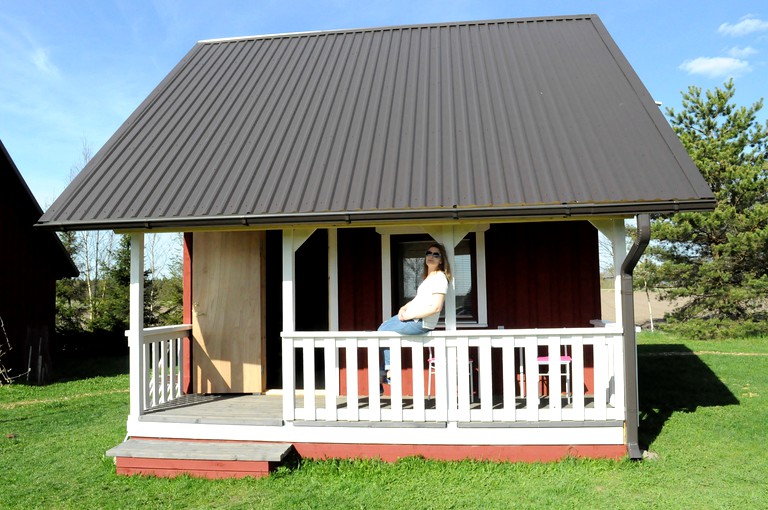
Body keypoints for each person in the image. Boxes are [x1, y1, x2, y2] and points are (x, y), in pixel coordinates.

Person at [378, 242, 452, 383]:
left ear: (441, 260)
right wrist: (403, 308)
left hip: (421, 322)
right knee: (382, 327)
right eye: (429, 253)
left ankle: (389, 372)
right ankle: (384, 375)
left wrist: (410, 315)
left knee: (383, 332)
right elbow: (418, 300)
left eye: (436, 254)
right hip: (412, 318)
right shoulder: (428, 278)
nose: (431, 256)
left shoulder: (440, 278)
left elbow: (436, 307)